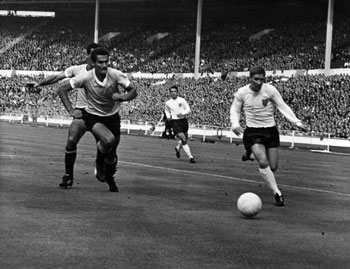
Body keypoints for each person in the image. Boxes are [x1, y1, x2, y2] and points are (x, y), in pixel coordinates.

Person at [57, 47, 137, 192]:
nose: (104, 65)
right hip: (93, 116)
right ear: (93, 63)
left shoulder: (116, 74)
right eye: (100, 62)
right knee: (108, 140)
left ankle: (108, 176)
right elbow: (62, 89)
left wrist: (122, 97)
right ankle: (76, 172)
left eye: (106, 62)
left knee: (111, 153)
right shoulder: (86, 77)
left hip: (112, 116)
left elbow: (133, 91)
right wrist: (70, 110)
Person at [230, 66, 308, 206]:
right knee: (263, 162)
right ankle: (277, 193)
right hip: (253, 132)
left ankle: (249, 153)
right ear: (250, 78)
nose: (259, 82)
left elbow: (282, 106)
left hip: (270, 131)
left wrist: (296, 121)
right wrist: (235, 124)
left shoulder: (270, 90)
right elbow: (235, 109)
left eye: (262, 79)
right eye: (256, 79)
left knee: (273, 167)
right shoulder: (242, 92)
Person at [34, 43, 105, 188]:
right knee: (71, 140)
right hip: (82, 113)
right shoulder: (77, 70)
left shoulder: (107, 73)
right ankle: (68, 176)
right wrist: (38, 83)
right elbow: (57, 78)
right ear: (87, 56)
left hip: (99, 114)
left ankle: (100, 165)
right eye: (91, 55)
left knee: (104, 143)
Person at [165, 85, 196, 163]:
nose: (173, 93)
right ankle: (191, 157)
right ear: (169, 93)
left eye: (175, 91)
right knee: (183, 138)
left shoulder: (182, 100)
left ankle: (178, 147)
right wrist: (168, 116)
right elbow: (166, 111)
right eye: (171, 92)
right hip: (175, 122)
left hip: (183, 121)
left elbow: (188, 109)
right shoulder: (168, 103)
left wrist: (183, 113)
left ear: (177, 92)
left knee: (185, 138)